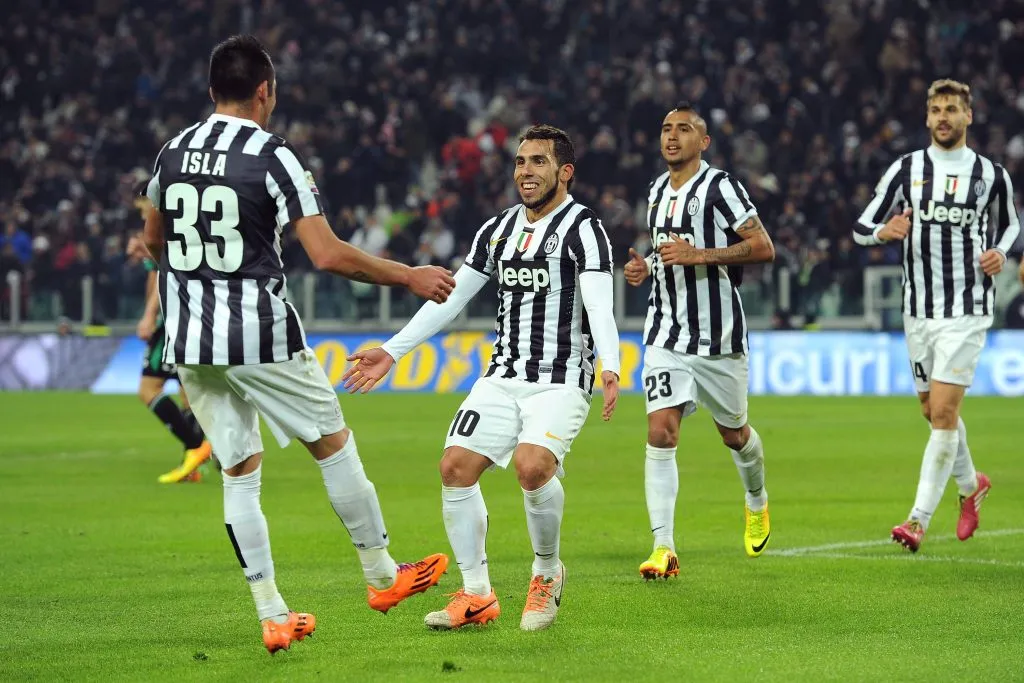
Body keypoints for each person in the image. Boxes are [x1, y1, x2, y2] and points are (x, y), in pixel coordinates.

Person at [141, 35, 456, 653]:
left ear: (211, 92)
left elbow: (152, 239)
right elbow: (328, 253)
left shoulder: (171, 152)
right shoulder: (271, 153)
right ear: (266, 92)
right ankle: (382, 576)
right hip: (258, 331)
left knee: (239, 470)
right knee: (333, 446)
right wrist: (410, 275)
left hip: (189, 339)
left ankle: (273, 613)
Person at [343, 125, 621, 632]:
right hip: (502, 375)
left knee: (532, 467)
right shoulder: (497, 230)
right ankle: (477, 595)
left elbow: (599, 303)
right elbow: (451, 299)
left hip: (561, 378)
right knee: (454, 467)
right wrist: (392, 350)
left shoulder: (585, 229)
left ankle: (546, 571)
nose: (526, 172)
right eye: (520, 161)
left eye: (538, 162)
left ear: (565, 172)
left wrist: (611, 363)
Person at [853, 79, 1020, 552]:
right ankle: (972, 486)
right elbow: (861, 224)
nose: (943, 116)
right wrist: (885, 231)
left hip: (967, 307)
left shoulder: (991, 174)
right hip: (918, 309)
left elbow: (1010, 224)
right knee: (932, 411)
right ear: (927, 118)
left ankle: (917, 519)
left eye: (952, 109)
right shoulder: (906, 169)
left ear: (969, 116)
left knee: (944, 412)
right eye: (936, 109)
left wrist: (1001, 254)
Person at [623, 103, 776, 578]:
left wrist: (700, 255)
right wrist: (647, 266)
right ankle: (663, 547)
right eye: (666, 129)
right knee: (661, 431)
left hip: (719, 337)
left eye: (683, 129)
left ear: (703, 142)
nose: (672, 137)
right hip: (666, 332)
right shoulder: (654, 190)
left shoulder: (722, 187)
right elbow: (667, 249)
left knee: (734, 435)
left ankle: (756, 499)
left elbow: (763, 247)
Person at [126, 183, 212, 483]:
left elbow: (162, 274)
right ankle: (194, 465)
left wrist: (149, 316)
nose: (141, 210)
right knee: (189, 391)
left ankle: (196, 447)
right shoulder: (179, 220)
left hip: (170, 317)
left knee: (148, 389)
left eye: (141, 203)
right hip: (191, 312)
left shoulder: (159, 223)